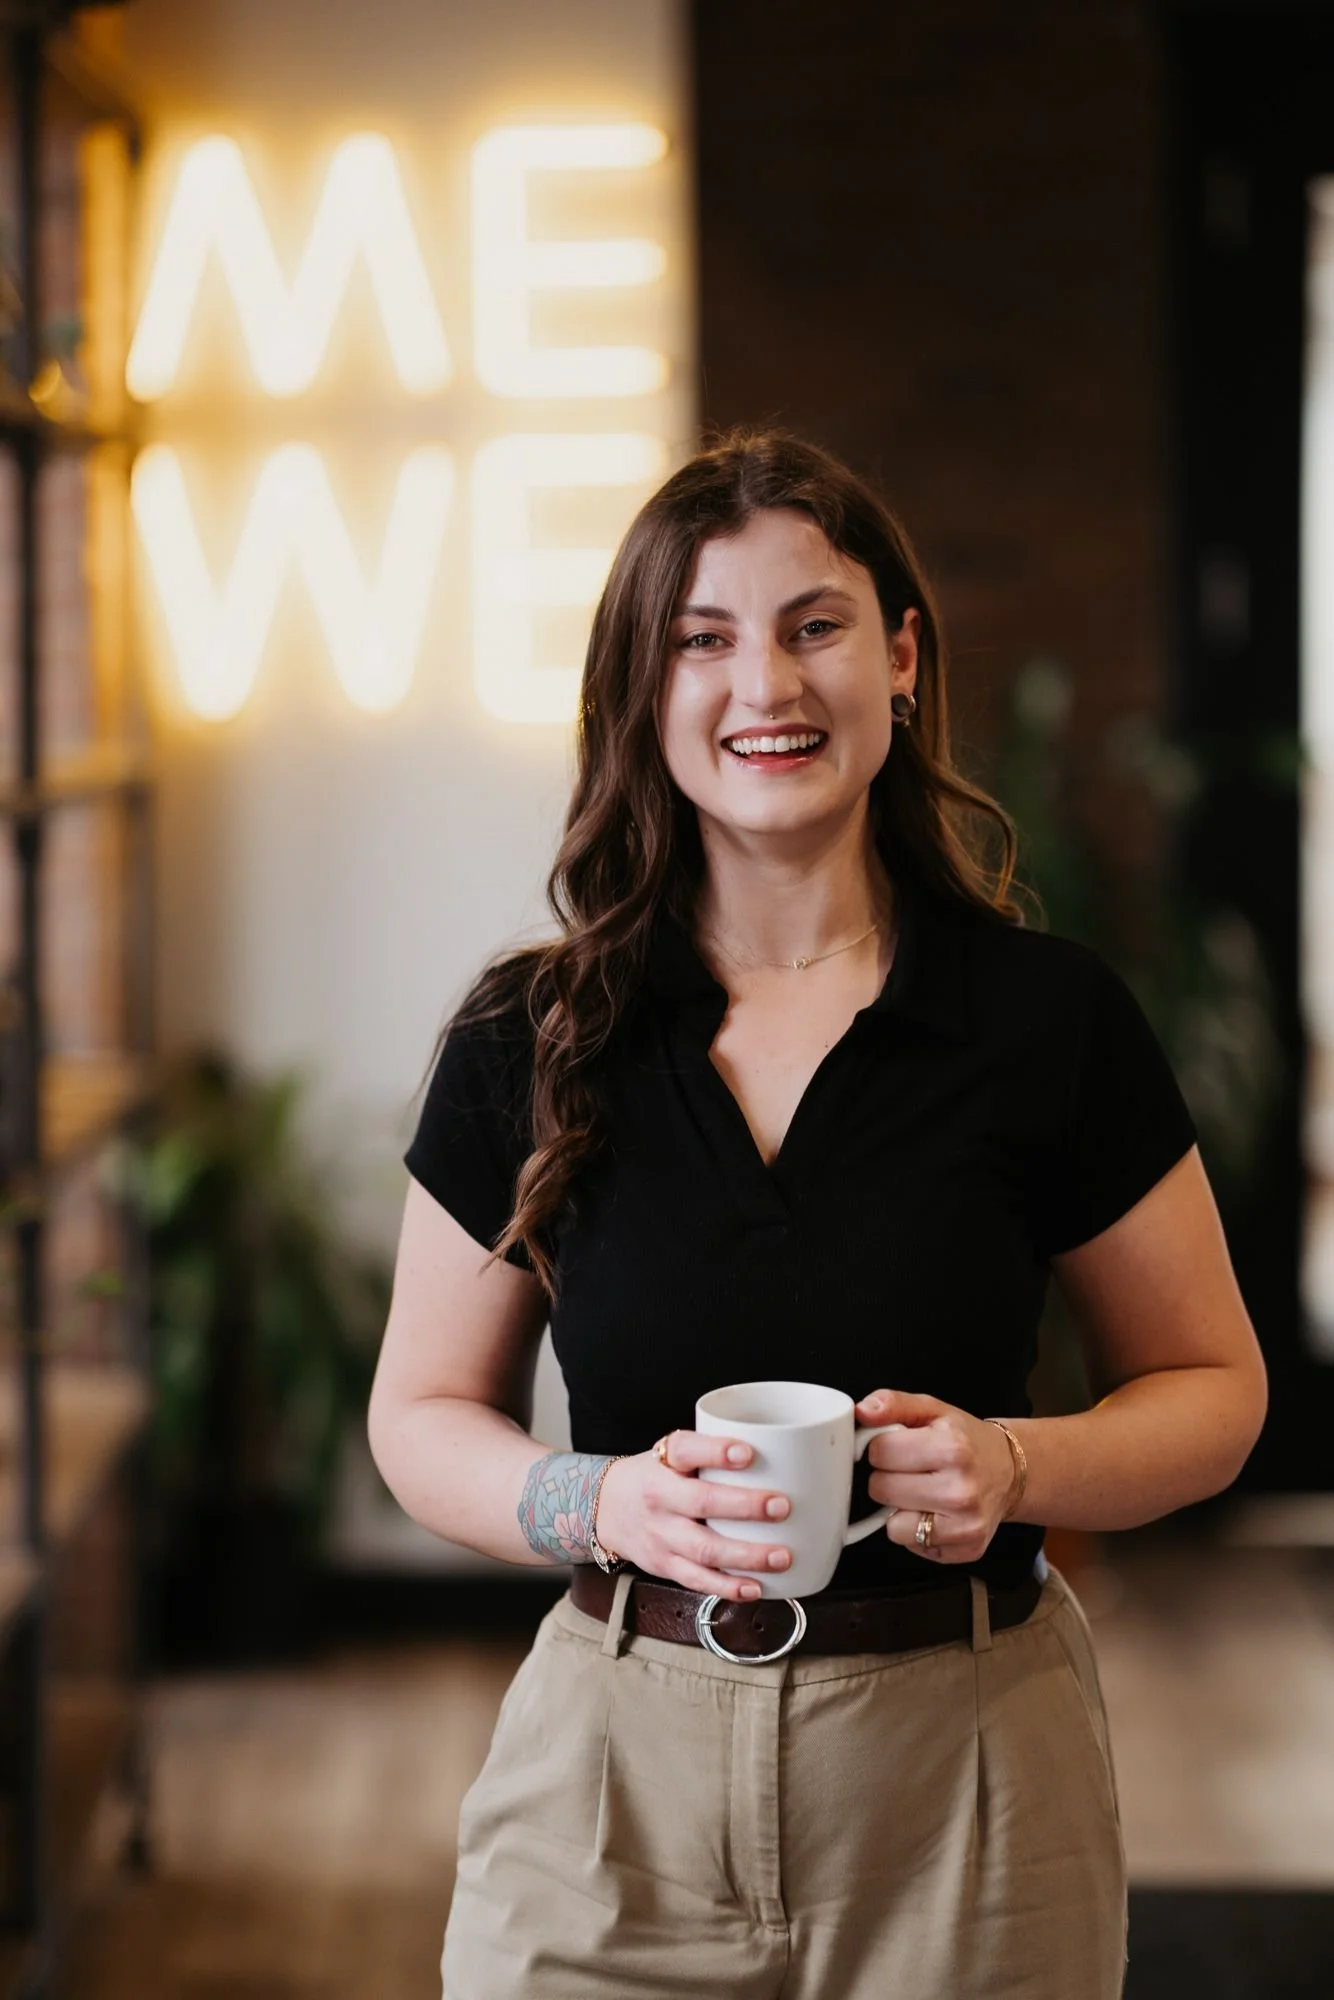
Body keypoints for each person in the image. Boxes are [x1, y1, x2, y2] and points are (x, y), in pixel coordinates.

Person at [367, 427, 1268, 2000]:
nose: (764, 687)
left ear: (900, 658)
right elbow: (423, 1413)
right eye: (701, 641)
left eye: (814, 626)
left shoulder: (1043, 1022)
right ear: (643, 693)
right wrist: (599, 1504)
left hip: (972, 1787)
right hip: (606, 1783)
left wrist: (1013, 1462)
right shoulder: (530, 1034)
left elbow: (1214, 1392)